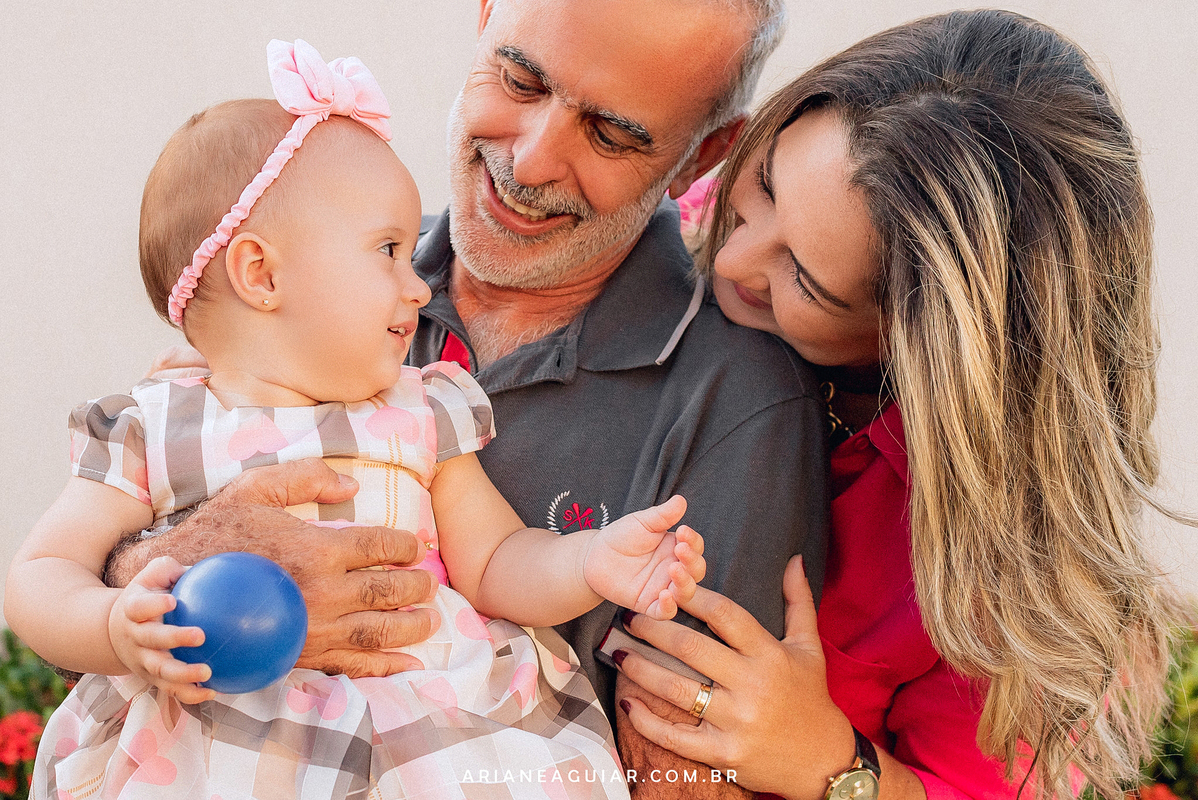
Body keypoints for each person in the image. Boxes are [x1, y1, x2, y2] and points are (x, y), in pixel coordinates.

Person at [102, 1, 830, 794]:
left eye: (610, 134)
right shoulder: (315, 281)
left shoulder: (737, 399)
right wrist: (157, 571)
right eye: (520, 79)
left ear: (703, 155)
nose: (533, 159)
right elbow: (78, 581)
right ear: (484, 13)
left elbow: (692, 771)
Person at [614, 9, 1186, 800]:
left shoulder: (996, 560)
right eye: (765, 186)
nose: (733, 257)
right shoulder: (660, 233)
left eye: (804, 278)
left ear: (921, 341)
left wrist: (826, 759)